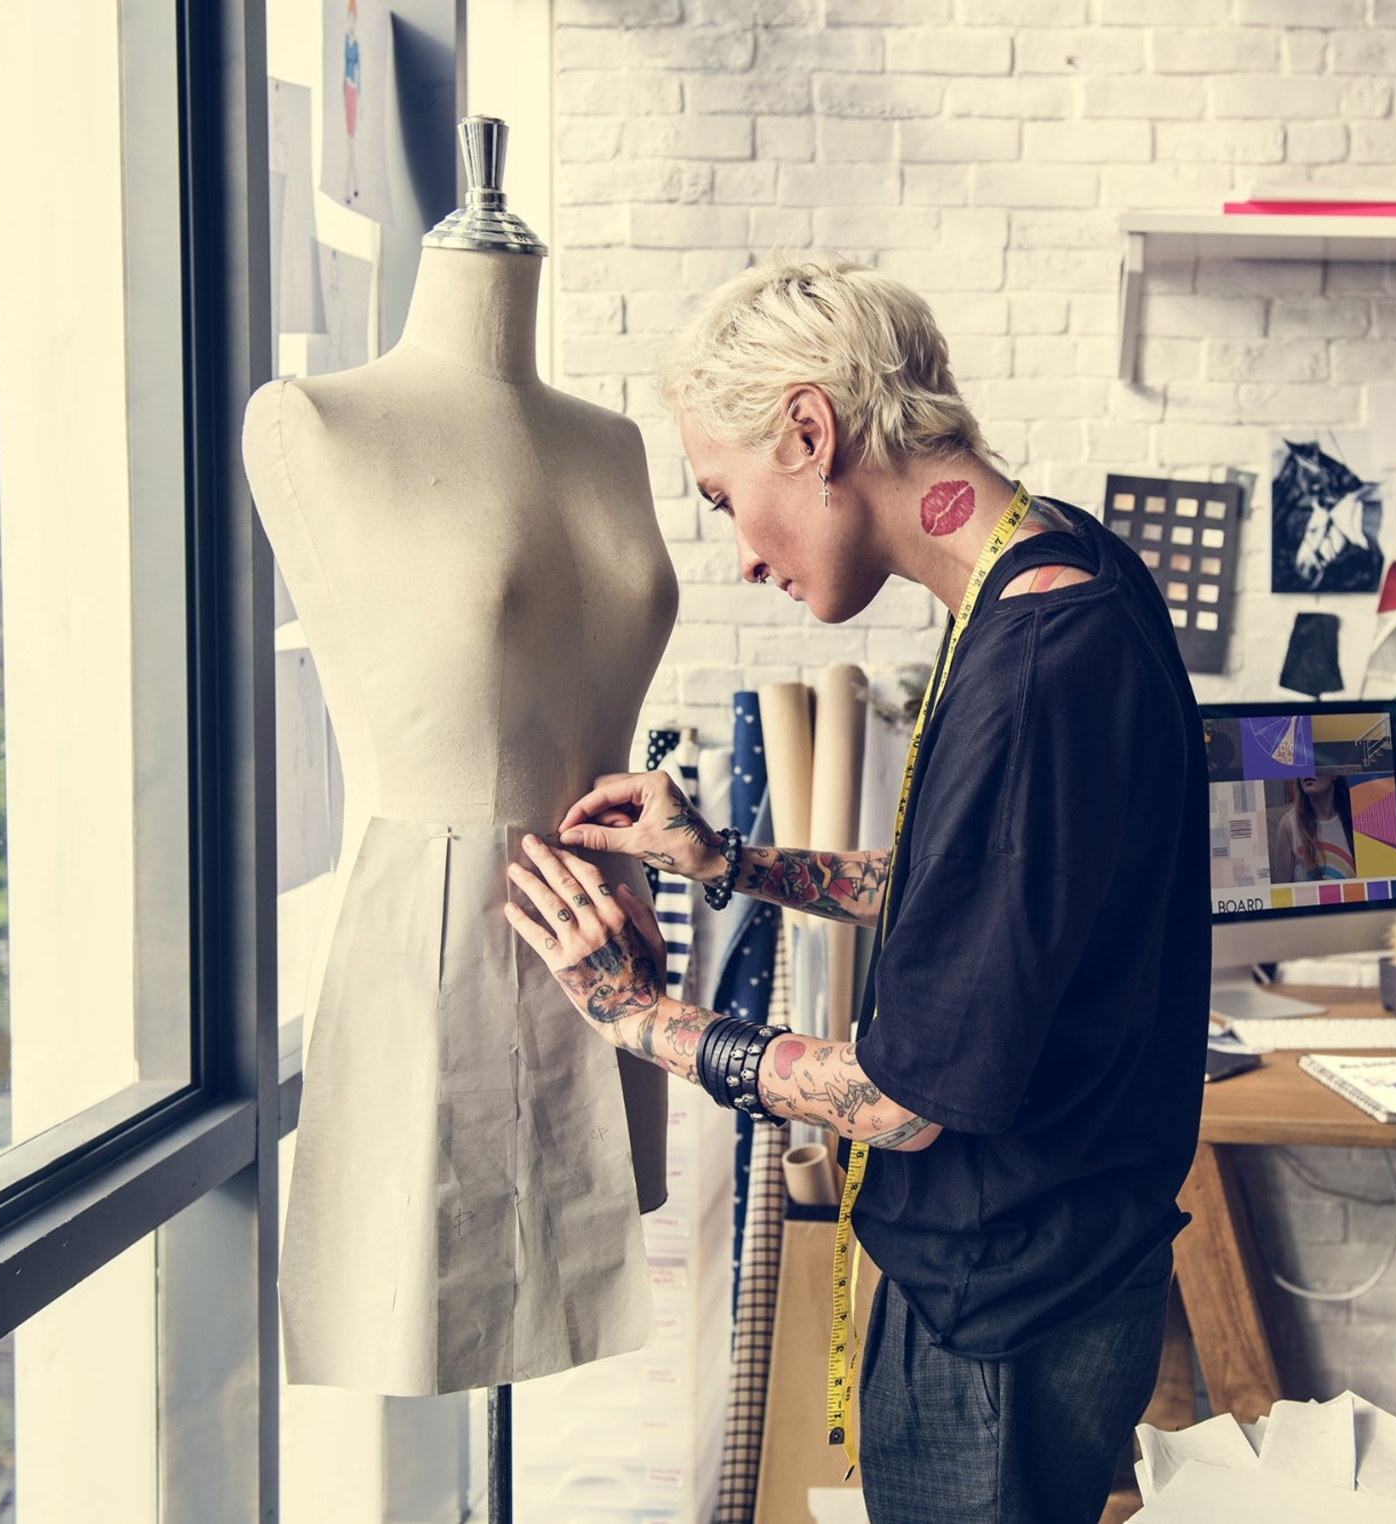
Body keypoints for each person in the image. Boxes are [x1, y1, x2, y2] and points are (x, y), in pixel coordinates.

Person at [502, 256, 1210, 1524]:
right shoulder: (1056, 570)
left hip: (1006, 1317)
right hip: (1048, 1277)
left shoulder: (1037, 665)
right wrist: (730, 863)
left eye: (725, 498)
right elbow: (976, 897)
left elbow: (901, 1100)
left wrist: (635, 1016)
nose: (741, 556)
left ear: (809, 431)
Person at [1271, 773, 1357, 883]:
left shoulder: (1355, 819)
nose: (1307, 772)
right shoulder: (1289, 826)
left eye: (1316, 765)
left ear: (1334, 774)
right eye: (1303, 767)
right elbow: (1282, 890)